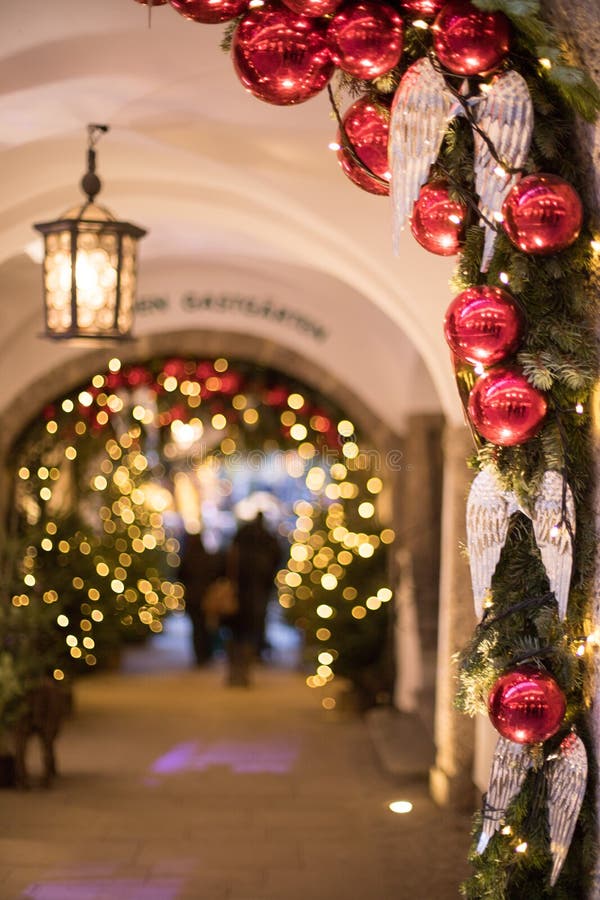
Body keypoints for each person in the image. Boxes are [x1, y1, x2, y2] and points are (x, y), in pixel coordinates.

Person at [225, 512, 281, 686]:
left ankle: (235, 671)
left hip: (239, 593)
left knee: (236, 632)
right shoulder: (267, 541)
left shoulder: (241, 539)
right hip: (257, 594)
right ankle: (245, 669)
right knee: (252, 629)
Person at [178, 532, 225, 665]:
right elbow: (217, 574)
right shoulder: (208, 558)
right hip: (206, 597)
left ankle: (200, 655)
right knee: (206, 626)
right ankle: (206, 653)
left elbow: (180, 575)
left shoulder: (187, 558)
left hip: (192, 598)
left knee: (196, 628)